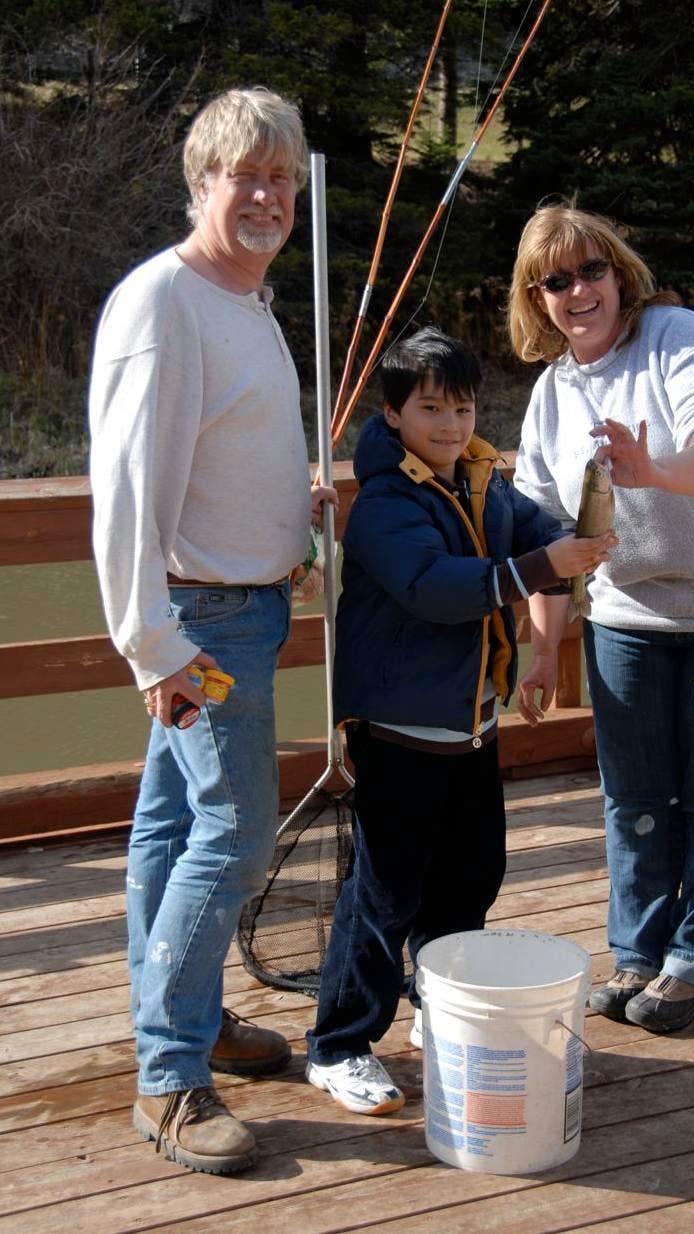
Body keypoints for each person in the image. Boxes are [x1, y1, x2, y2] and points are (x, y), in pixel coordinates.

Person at [89, 86, 335, 1175]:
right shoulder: (165, 303)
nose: (271, 197)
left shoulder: (249, 300)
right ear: (203, 183)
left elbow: (229, 455)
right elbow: (127, 496)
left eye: (284, 179)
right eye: (250, 176)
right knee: (234, 835)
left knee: (169, 831)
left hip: (247, 606)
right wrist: (155, 647)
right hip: (202, 626)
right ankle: (171, 1076)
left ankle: (183, 1021)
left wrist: (300, 517)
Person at [303, 326, 615, 1114]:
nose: (450, 425)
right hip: (400, 737)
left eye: (464, 407)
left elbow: (529, 525)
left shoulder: (480, 478)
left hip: (472, 728)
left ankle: (431, 1005)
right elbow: (436, 588)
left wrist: (569, 539)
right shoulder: (380, 503)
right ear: (395, 413)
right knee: (384, 893)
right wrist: (547, 568)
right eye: (432, 408)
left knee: (471, 878)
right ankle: (338, 1045)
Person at [509, 202, 694, 1034]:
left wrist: (652, 467)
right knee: (634, 798)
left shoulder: (679, 337)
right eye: (557, 279)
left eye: (593, 270)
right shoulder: (552, 392)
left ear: (620, 274)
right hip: (625, 619)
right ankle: (638, 954)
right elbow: (547, 538)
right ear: (536, 298)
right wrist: (543, 651)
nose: (579, 290)